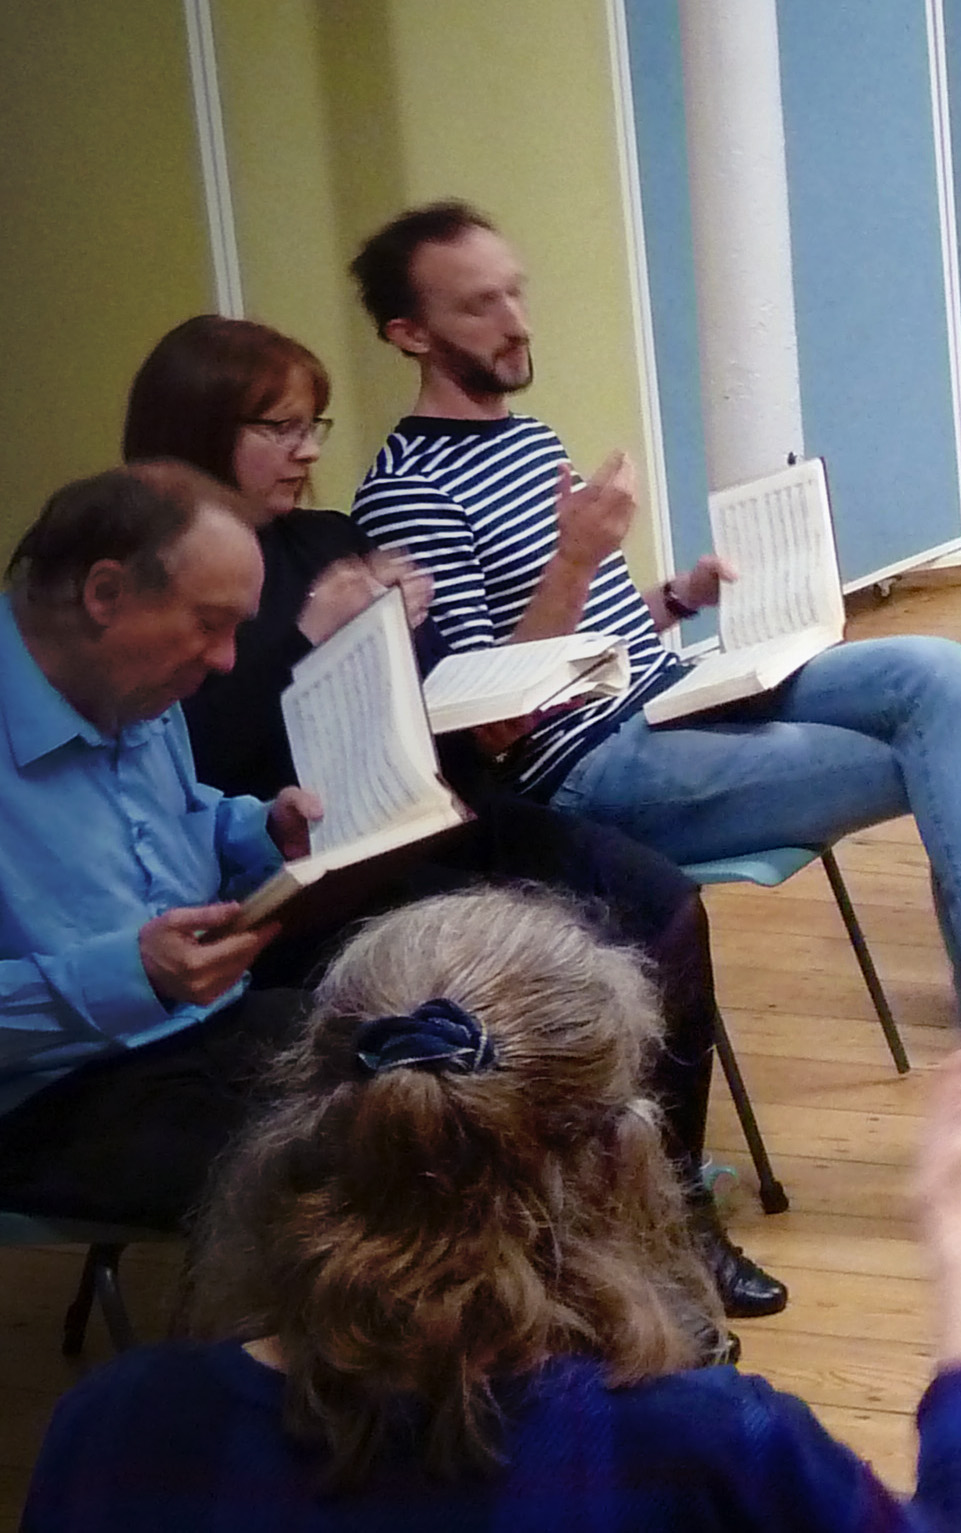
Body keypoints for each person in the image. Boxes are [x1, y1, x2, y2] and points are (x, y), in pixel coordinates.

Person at [339, 200, 961, 1170]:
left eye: (516, 291)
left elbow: (589, 641)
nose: (517, 321)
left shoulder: (525, 441)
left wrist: (671, 599)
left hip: (666, 694)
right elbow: (487, 721)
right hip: (592, 770)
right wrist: (575, 559)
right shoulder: (406, 493)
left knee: (938, 672)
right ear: (410, 334)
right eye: (479, 306)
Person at [128, 314, 787, 1317]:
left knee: (661, 909)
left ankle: (669, 1217)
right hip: (310, 874)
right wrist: (309, 642)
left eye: (316, 426)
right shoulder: (159, 574)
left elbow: (429, 712)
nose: (310, 451)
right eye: (281, 428)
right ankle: (533, 1252)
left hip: (430, 814)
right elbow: (205, 762)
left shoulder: (326, 537)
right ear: (201, 427)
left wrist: (423, 641)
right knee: (510, 978)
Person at [20, 889, 961, 1530]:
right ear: (616, 1161)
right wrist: (960, 1241)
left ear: (309, 1141)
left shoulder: (117, 1428)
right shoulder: (707, 1449)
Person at [0, 466, 319, 1234]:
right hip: (53, 1095)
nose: (226, 661)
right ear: (104, 593)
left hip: (209, 1031)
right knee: (365, 1180)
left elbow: (182, 820)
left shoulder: (135, 687)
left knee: (444, 1072)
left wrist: (260, 830)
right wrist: (130, 973)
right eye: (210, 623)